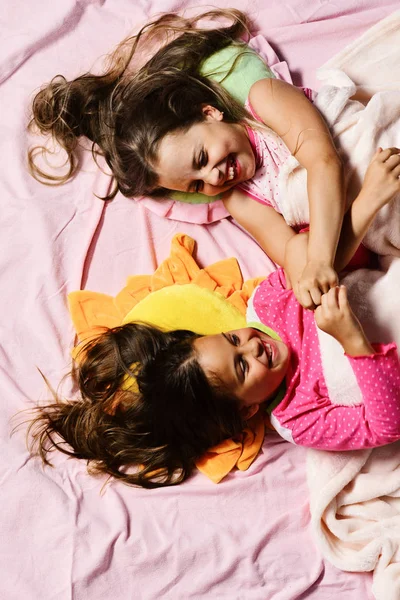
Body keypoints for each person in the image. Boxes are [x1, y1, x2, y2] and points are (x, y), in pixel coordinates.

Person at [29, 157, 400, 488]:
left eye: (232, 338)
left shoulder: (268, 306)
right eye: (242, 366)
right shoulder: (298, 417)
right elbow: (386, 425)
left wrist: (365, 206)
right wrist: (352, 342)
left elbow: (323, 256)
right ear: (246, 409)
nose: (252, 344)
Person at [28, 9, 400, 310]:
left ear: (210, 112)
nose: (213, 178)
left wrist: (318, 258)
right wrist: (357, 215)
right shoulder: (239, 199)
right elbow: (301, 263)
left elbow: (323, 162)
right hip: (377, 221)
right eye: (196, 184)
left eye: (202, 157)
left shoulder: (264, 100)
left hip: (379, 152)